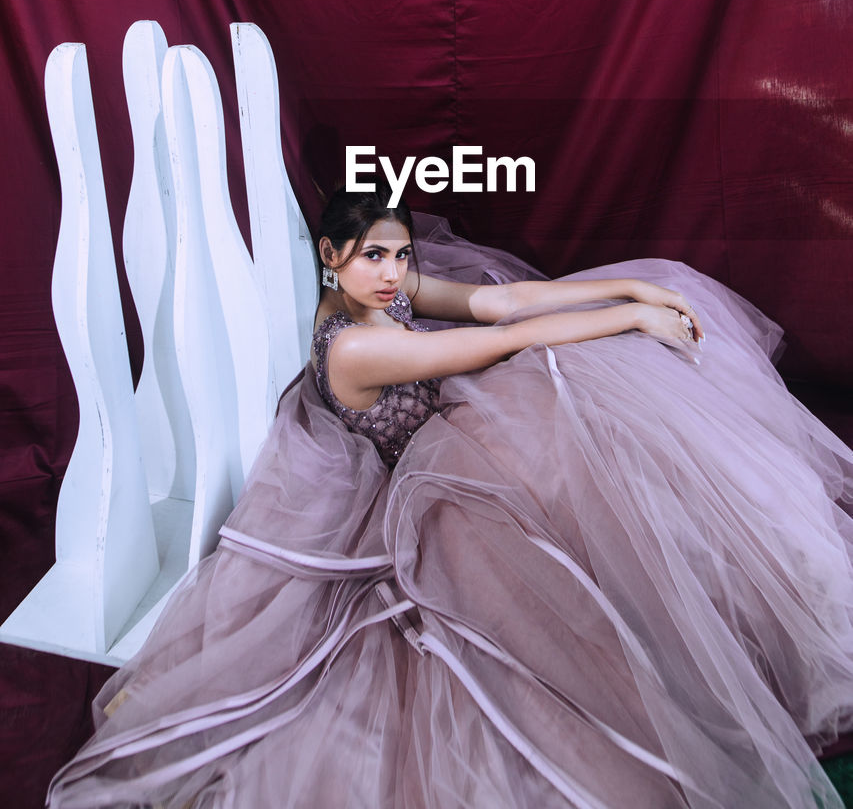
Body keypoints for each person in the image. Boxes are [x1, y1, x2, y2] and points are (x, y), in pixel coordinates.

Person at [47, 187, 853, 808]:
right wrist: (626, 319)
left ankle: (722, 604)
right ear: (331, 257)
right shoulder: (355, 344)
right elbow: (501, 340)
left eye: (398, 256)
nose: (392, 273)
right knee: (572, 464)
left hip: (464, 430)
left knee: (613, 419)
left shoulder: (385, 297)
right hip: (426, 487)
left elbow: (499, 302)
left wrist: (637, 288)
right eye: (371, 258)